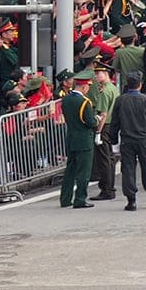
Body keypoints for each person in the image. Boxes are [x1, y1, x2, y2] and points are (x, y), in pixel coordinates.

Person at [112, 69, 146, 209]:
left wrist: (113, 140)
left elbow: (115, 122)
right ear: (140, 84)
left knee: (128, 170)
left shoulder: (120, 100)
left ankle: (131, 201)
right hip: (144, 139)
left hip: (127, 139)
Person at [60, 67, 102, 208]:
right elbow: (90, 122)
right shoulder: (84, 102)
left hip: (71, 138)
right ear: (84, 87)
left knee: (70, 170)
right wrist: (97, 119)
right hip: (84, 139)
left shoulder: (65, 99)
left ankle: (65, 199)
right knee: (84, 171)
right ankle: (80, 199)